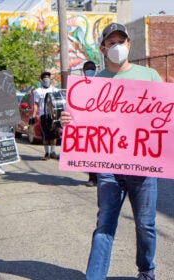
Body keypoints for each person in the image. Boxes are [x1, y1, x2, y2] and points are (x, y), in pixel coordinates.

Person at [60, 23, 161, 280]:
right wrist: (69, 121)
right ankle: (94, 277)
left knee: (146, 226)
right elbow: (85, 123)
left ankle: (146, 270)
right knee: (104, 224)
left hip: (143, 166)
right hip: (109, 168)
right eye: (111, 42)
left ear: (129, 44)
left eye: (121, 41)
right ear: (103, 48)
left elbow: (164, 117)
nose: (117, 46)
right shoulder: (93, 84)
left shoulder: (149, 76)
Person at [31, 70, 59, 160]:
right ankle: (47, 153)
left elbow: (59, 102)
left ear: (50, 79)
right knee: (45, 134)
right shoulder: (38, 91)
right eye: (44, 77)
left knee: (54, 134)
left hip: (53, 115)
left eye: (48, 77)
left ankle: (53, 152)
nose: (46, 78)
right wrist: (33, 115)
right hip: (43, 115)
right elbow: (36, 104)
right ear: (41, 80)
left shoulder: (55, 90)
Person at [82, 60, 97, 187]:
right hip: (86, 123)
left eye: (92, 68)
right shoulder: (79, 85)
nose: (90, 70)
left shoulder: (101, 83)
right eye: (87, 68)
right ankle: (92, 177)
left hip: (100, 123)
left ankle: (102, 176)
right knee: (90, 153)